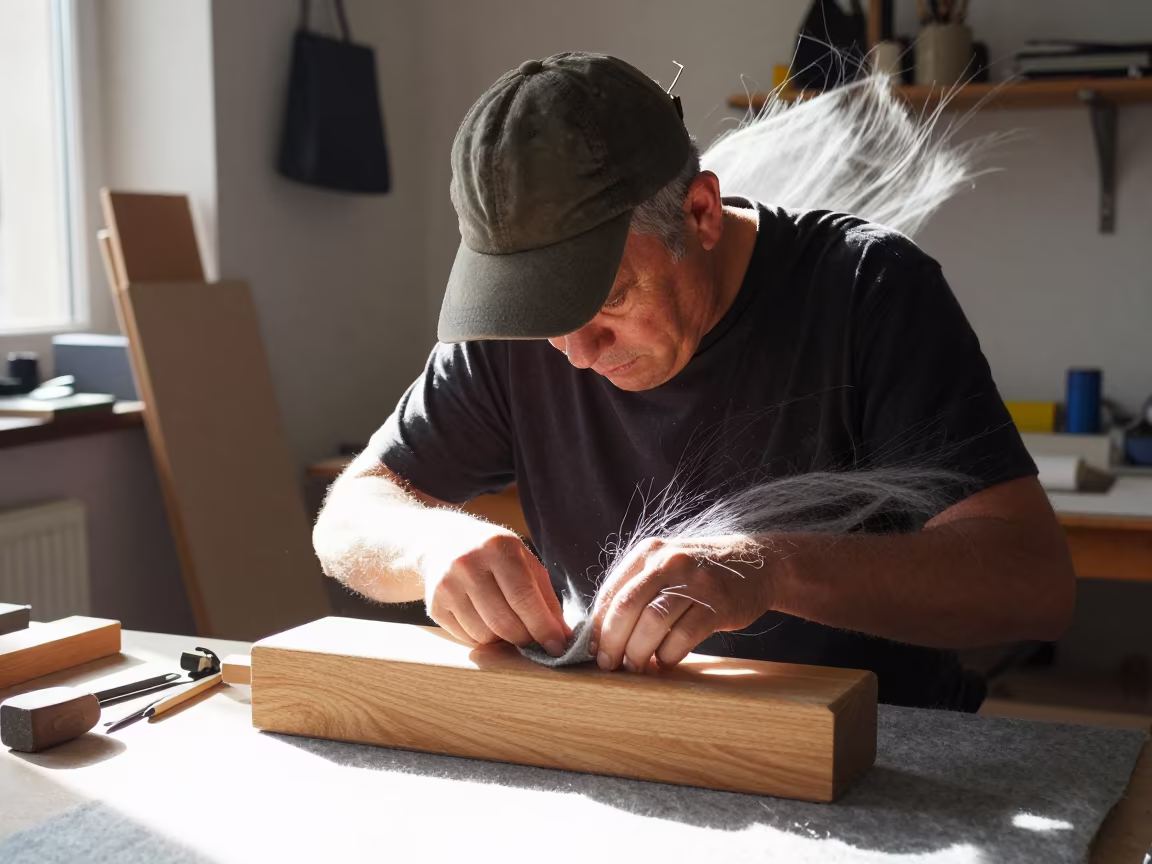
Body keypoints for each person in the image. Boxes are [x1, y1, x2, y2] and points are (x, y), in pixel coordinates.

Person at [312, 52, 1075, 710]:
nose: (574, 351)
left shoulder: (869, 292)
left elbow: (1033, 583)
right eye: (541, 312)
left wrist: (769, 569)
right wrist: (432, 545)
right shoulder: (517, 332)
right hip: (638, 744)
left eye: (608, 298)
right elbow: (348, 516)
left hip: (878, 755)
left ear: (702, 213)